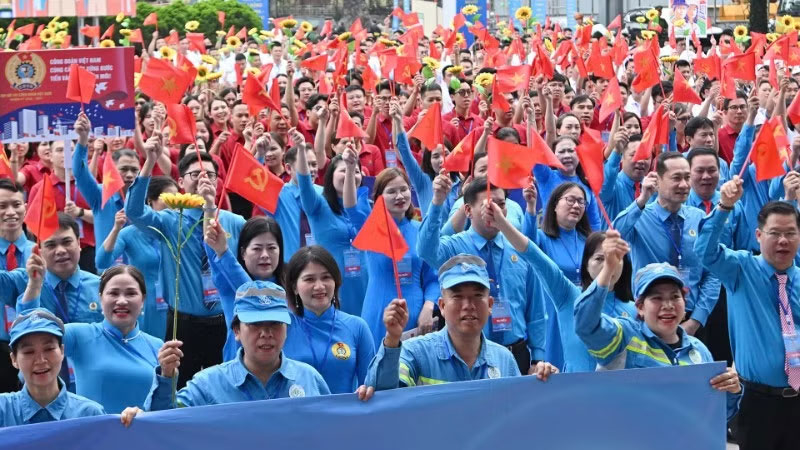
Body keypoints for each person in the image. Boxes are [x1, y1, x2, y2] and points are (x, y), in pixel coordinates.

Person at [574, 231, 741, 420]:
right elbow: (585, 325)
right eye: (657, 298)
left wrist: (731, 391)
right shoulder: (624, 337)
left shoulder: (700, 351)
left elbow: (714, 416)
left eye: (675, 296)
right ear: (640, 307)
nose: (668, 305)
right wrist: (608, 269)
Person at [119, 280, 329, 423]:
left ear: (286, 329)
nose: (266, 333)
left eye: (275, 324)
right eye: (255, 324)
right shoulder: (208, 385)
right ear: (236, 331)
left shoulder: (309, 379)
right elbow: (164, 423)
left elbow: (332, 429)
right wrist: (165, 379)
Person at [125, 141, 246, 387]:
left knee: (225, 388)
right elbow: (134, 212)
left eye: (210, 174)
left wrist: (210, 207)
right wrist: (149, 161)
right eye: (195, 174)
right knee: (179, 389)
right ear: (181, 183)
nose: (203, 179)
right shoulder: (170, 220)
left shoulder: (236, 223)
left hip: (225, 320)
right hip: (183, 324)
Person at [357, 254, 557, 397]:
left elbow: (518, 413)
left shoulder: (504, 359)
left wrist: (545, 382)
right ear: (442, 306)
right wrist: (392, 339)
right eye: (458, 297)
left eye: (477, 296)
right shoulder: (415, 353)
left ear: (490, 305)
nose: (468, 305)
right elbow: (383, 396)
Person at [695, 179, 800, 450]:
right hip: (756, 402)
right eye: (775, 233)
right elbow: (705, 252)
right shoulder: (741, 269)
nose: (783, 240)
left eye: (790, 233)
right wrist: (724, 207)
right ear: (758, 235)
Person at [417, 175, 548, 374]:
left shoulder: (519, 247)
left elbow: (535, 307)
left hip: (516, 355)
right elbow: (426, 250)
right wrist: (437, 202)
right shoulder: (455, 247)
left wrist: (537, 357)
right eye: (488, 205)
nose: (495, 211)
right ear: (468, 210)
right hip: (470, 358)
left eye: (501, 204)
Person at [17, 263, 163, 413]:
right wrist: (34, 286)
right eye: (113, 293)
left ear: (143, 299)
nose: (121, 301)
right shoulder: (80, 335)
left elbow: (165, 405)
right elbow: (31, 330)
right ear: (100, 298)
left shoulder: (157, 346)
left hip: (144, 428)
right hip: (92, 427)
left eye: (131, 293)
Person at [613, 152, 720, 337]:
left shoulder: (699, 218)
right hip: (648, 321)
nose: (684, 185)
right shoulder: (640, 216)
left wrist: (696, 320)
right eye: (676, 178)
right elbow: (615, 233)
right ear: (658, 180)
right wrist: (642, 199)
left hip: (692, 321)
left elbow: (713, 272)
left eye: (687, 177)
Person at [344, 158, 440, 347]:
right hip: (379, 312)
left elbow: (433, 278)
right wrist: (349, 168)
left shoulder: (420, 230)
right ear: (379, 197)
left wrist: (429, 307)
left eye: (404, 189)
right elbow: (350, 207)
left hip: (416, 315)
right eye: (391, 191)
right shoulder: (372, 227)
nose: (399, 196)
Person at [295, 128, 370, 316]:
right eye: (344, 170)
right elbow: (304, 184)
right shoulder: (318, 205)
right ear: (331, 176)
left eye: (356, 171)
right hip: (333, 287)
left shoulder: (365, 206)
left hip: (366, 283)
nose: (351, 174)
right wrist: (301, 151)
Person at [95, 176, 179, 340]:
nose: (175, 204)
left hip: (177, 305)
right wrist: (116, 229)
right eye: (169, 198)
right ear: (150, 201)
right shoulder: (129, 233)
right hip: (146, 306)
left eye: (177, 198)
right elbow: (102, 261)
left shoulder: (178, 232)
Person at [282, 246, 376, 394]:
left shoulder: (357, 327)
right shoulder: (283, 328)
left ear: (336, 281)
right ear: (294, 287)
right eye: (309, 279)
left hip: (344, 409)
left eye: (326, 277)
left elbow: (371, 386)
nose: (319, 286)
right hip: (297, 409)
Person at [0, 309, 104, 427]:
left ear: (62, 351)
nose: (40, 360)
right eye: (29, 352)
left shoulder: (89, 414)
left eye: (49, 349)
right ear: (14, 359)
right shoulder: (3, 411)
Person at [204, 216, 285, 361]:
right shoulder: (229, 282)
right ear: (243, 253)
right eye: (257, 249)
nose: (265, 255)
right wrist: (209, 210)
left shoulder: (291, 284)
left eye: (272, 248)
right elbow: (212, 247)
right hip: (237, 371)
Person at [71, 113, 141, 270]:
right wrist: (83, 139)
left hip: (139, 274)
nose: (130, 174)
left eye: (134, 170)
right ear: (113, 168)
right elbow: (80, 173)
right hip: (108, 274)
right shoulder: (101, 195)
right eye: (124, 169)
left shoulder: (144, 198)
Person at [0, 179, 36, 392]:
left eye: (16, 204)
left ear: (26, 207)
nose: (10, 212)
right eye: (2, 206)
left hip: (35, 347)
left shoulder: (42, 252)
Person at [600, 133, 653, 222]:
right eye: (635, 155)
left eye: (646, 156)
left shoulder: (653, 187)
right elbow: (604, 187)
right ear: (621, 157)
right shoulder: (613, 185)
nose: (641, 161)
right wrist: (616, 151)